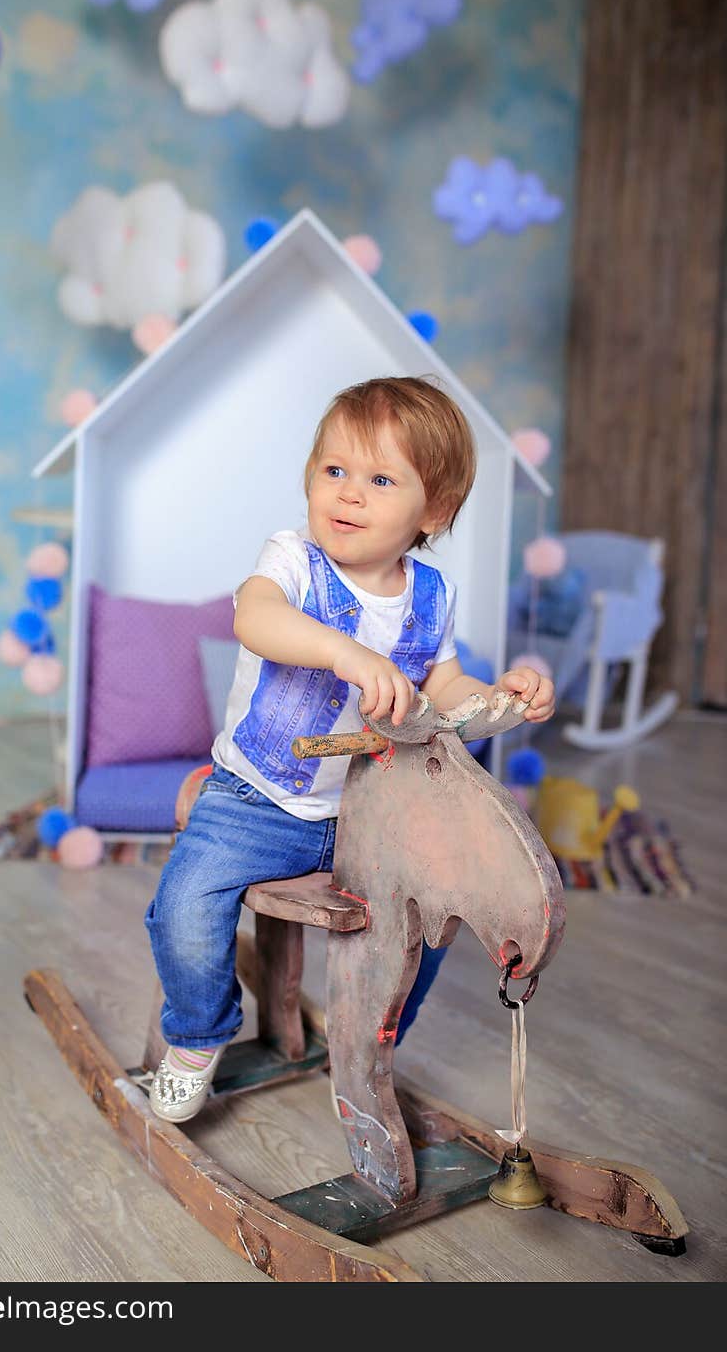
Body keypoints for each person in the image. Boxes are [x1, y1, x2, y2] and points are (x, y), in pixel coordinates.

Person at [145, 376, 555, 1122]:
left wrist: (504, 698)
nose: (350, 494)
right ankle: (198, 1034)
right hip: (259, 800)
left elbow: (449, 686)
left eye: (379, 479)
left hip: (373, 815)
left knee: (432, 912)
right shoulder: (295, 564)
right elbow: (255, 617)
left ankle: (375, 1033)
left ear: (432, 511)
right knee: (183, 904)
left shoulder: (431, 595)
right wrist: (343, 652)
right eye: (334, 471)